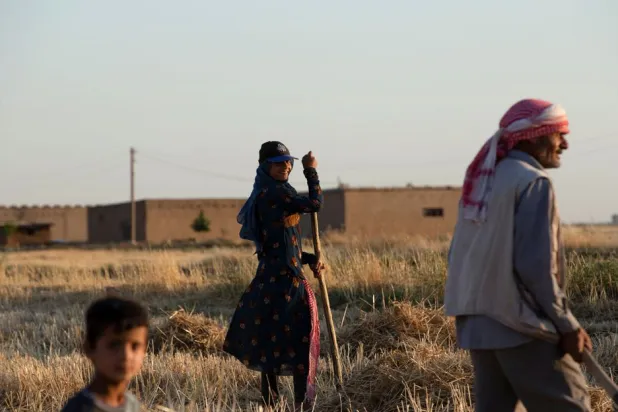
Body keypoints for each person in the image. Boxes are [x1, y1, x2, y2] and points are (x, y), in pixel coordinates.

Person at [444, 98, 592, 411]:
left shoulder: (486, 179)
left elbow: (458, 254)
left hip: (479, 329)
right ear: (535, 137)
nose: (564, 144)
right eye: (558, 135)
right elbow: (535, 267)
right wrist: (567, 325)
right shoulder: (532, 182)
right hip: (520, 327)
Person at [223, 141, 325, 411]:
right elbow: (315, 203)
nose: (287, 166)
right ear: (265, 167)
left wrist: (311, 259)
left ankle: (273, 401)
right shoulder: (273, 193)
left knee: (271, 337)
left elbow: (283, 244)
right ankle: (300, 403)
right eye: (279, 163)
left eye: (288, 162)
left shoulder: (275, 192)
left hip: (276, 275)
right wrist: (311, 171)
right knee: (298, 337)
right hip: (284, 280)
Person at [61, 296, 149, 412]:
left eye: (135, 346)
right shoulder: (80, 409)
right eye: (114, 345)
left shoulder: (132, 405)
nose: (126, 355)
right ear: (89, 349)